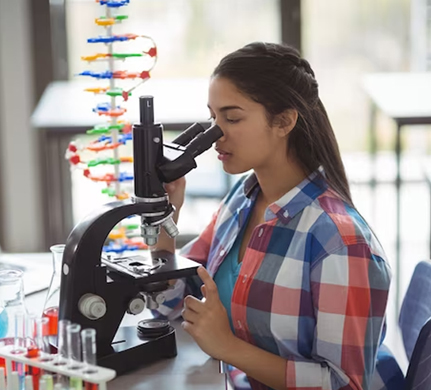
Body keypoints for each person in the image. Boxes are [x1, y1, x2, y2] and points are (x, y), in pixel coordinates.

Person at [152, 42, 404, 390]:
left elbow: (344, 384)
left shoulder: (340, 244)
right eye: (213, 117)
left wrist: (228, 347)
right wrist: (167, 215)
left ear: (284, 121)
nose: (215, 135)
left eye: (232, 118)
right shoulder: (242, 198)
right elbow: (174, 302)